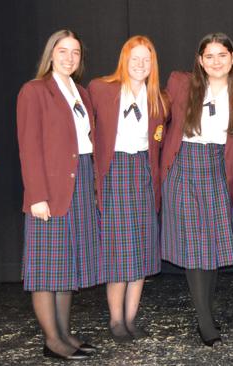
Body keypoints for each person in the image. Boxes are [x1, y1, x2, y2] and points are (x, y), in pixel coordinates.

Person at [16, 29, 99, 360]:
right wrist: (36, 195)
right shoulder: (34, 91)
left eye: (75, 52)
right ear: (51, 54)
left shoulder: (80, 92)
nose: (69, 58)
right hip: (49, 192)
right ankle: (52, 341)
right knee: (46, 270)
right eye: (63, 51)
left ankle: (65, 334)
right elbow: (29, 147)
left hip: (77, 186)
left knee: (69, 267)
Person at [160, 32, 233, 347]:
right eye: (208, 56)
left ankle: (205, 310)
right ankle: (205, 321)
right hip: (184, 168)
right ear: (199, 60)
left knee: (212, 246)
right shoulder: (181, 84)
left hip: (218, 171)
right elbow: (156, 108)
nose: (215, 61)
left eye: (222, 54)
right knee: (195, 247)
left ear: (232, 58)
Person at [88, 35, 167, 342]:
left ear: (152, 64)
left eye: (146, 59)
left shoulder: (159, 99)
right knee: (119, 251)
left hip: (143, 173)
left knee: (143, 250)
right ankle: (116, 320)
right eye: (134, 58)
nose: (140, 64)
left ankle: (132, 319)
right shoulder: (100, 89)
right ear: (124, 59)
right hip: (115, 172)